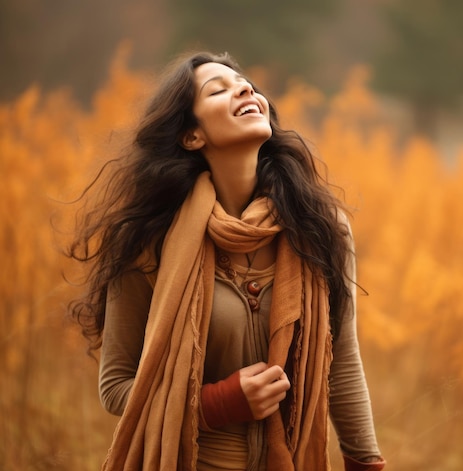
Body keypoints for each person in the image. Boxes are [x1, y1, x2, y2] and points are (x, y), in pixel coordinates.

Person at [68, 51, 385, 471]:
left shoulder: (320, 226)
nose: (244, 88)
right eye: (218, 89)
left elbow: (342, 366)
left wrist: (367, 464)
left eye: (246, 83)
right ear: (191, 136)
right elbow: (116, 387)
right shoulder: (150, 241)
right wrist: (218, 403)